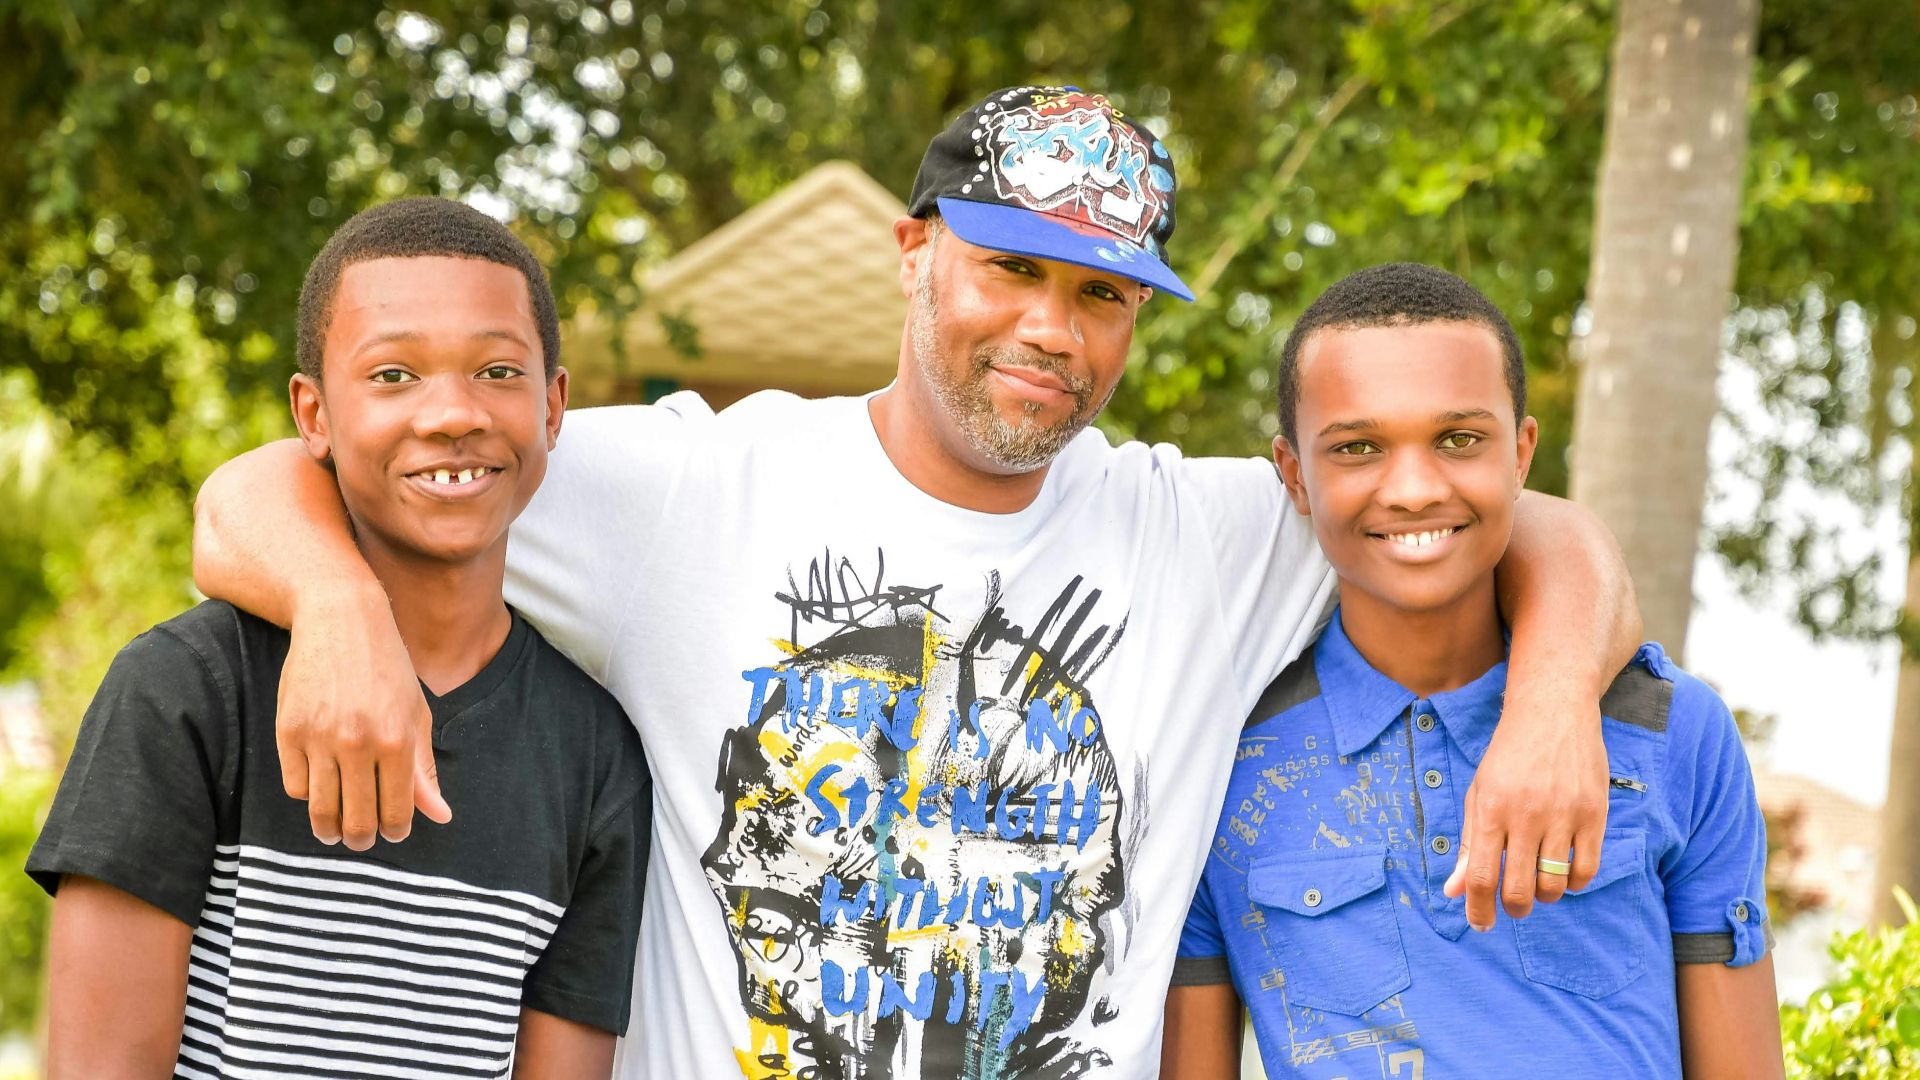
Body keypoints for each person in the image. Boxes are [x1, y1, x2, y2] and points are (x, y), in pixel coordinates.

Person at [193, 88, 1640, 1079]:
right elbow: (266, 487)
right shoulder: (694, 486)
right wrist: (337, 607)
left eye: (1101, 294)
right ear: (914, 253)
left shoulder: (1202, 532)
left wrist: (1553, 700)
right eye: (1012, 268)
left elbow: (1529, 525)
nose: (1052, 329)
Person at [28, 198, 651, 1079]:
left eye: (498, 371)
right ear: (313, 413)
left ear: (553, 406)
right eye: (393, 374)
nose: (452, 414)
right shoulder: (186, 688)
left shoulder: (594, 756)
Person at [1162, 263, 1783, 1079]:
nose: (1414, 489)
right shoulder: (1219, 761)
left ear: (1521, 453)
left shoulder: (1672, 730)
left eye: (1458, 439)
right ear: (1294, 474)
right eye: (1356, 448)